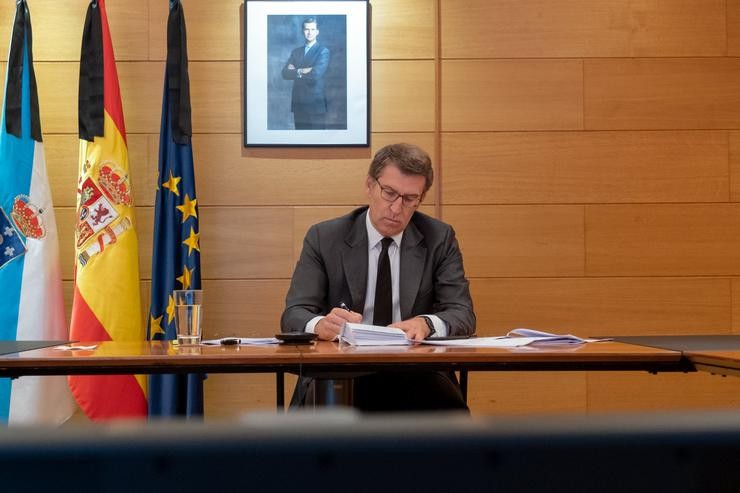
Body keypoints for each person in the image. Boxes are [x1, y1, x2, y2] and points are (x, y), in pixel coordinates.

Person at [281, 143, 476, 412]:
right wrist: (320, 324)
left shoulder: (438, 238)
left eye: (409, 199)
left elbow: (462, 313)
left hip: (417, 374)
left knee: (453, 429)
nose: (397, 208)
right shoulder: (325, 238)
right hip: (340, 371)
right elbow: (294, 313)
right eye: (389, 193)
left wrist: (426, 323)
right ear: (370, 186)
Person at [281, 17, 330, 130]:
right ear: (303, 31)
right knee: (300, 142)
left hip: (315, 105)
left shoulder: (323, 51)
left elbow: (315, 75)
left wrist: (295, 71)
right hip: (299, 104)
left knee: (317, 142)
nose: (309, 32)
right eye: (307, 29)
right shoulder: (296, 52)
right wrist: (303, 70)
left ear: (317, 32)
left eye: (312, 29)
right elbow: (284, 73)